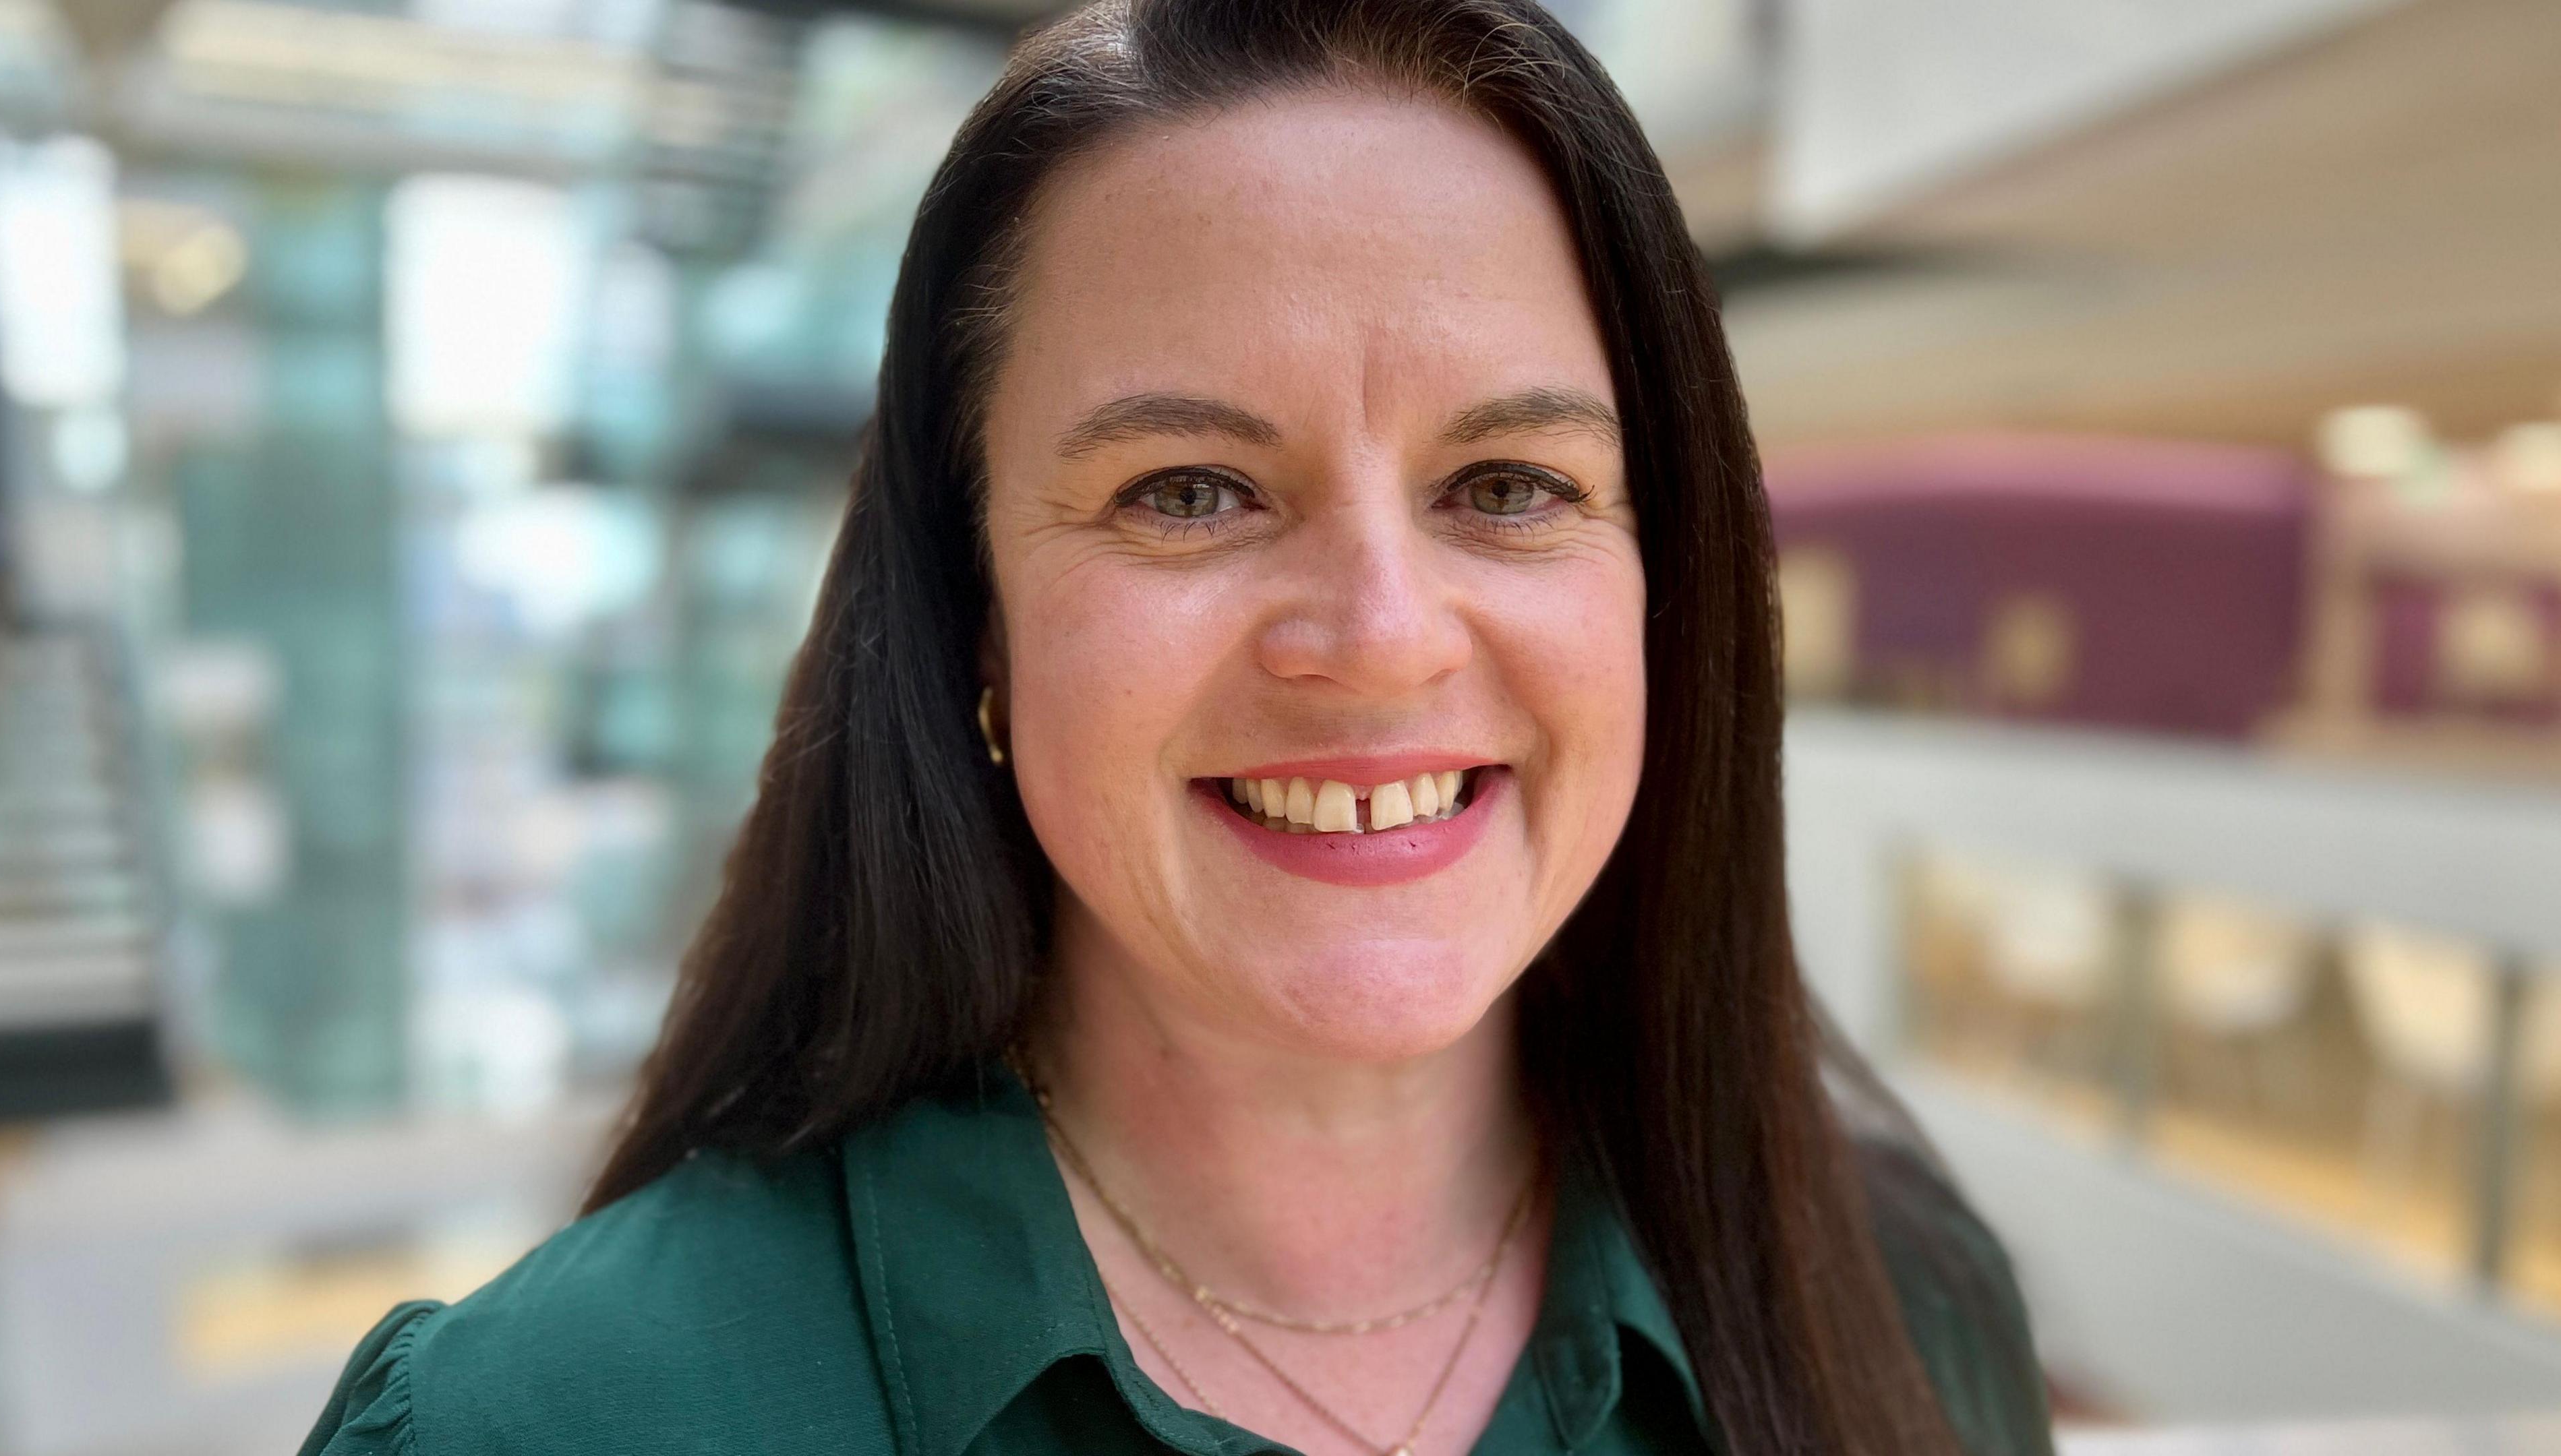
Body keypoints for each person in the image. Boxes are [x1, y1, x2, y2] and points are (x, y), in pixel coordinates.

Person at [302, 2, 2056, 1453]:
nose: (1377, 638)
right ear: (970, 616)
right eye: (1193, 489)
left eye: (1508, 483)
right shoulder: (547, 1425)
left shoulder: (1900, 1317)